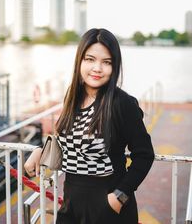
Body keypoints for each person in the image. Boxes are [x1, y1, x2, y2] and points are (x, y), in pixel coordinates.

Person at [24, 28, 154, 224]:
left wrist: (119, 197)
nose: (97, 68)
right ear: (80, 61)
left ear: (115, 66)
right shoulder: (73, 96)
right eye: (90, 59)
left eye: (106, 62)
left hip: (109, 209)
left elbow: (144, 155)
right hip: (71, 206)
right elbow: (70, 141)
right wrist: (39, 151)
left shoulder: (122, 103)